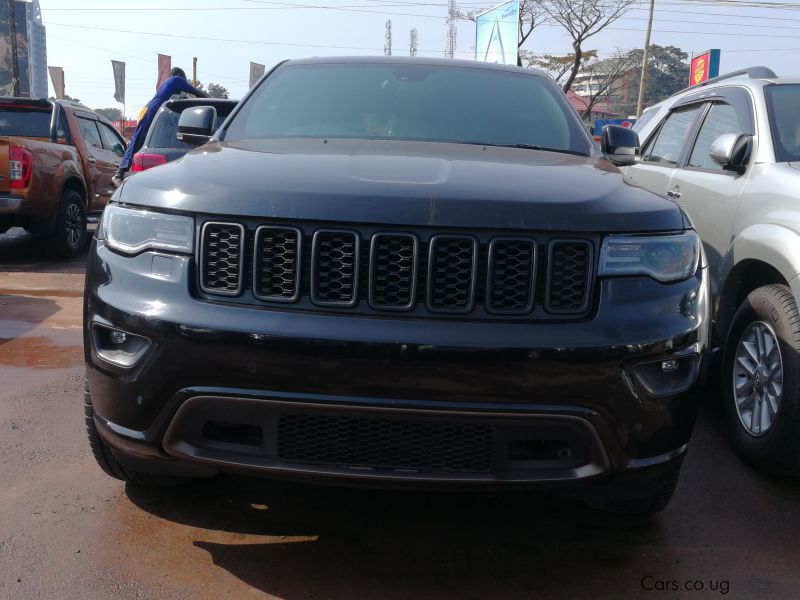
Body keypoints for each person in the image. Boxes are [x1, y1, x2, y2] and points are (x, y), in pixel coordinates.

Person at [113, 67, 207, 185]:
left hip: (151, 110)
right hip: (150, 111)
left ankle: (123, 171)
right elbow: (195, 91)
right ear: (178, 75)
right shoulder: (176, 79)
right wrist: (211, 100)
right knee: (137, 140)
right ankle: (120, 173)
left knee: (141, 142)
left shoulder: (167, 84)